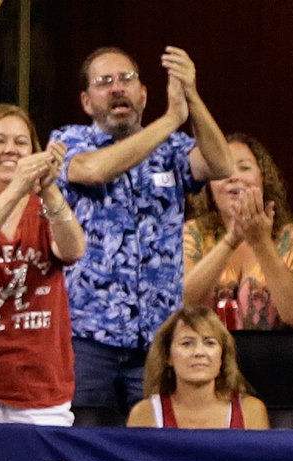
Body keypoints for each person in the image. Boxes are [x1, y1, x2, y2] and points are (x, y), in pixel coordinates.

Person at [53, 45, 231, 420]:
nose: (118, 88)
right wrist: (169, 120)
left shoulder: (173, 150)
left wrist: (191, 96)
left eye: (126, 79)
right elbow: (94, 171)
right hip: (87, 338)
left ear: (144, 94)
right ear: (86, 101)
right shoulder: (69, 141)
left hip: (157, 339)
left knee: (149, 452)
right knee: (84, 448)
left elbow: (220, 163)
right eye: (104, 82)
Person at [183, 133, 293, 329]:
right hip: (206, 357)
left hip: (279, 357)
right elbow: (178, 305)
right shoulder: (192, 234)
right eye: (222, 170)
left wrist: (261, 242)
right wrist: (231, 240)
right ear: (209, 186)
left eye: (244, 167)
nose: (233, 177)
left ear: (263, 179)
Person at [0, 104, 86, 425]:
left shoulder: (46, 205)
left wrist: (48, 187)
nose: (10, 150)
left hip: (41, 385)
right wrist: (19, 186)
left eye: (21, 143)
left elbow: (74, 249)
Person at [127, 306, 268, 429]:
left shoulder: (251, 411)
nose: (199, 352)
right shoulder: (145, 414)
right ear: (168, 356)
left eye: (209, 343)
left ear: (222, 356)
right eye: (187, 343)